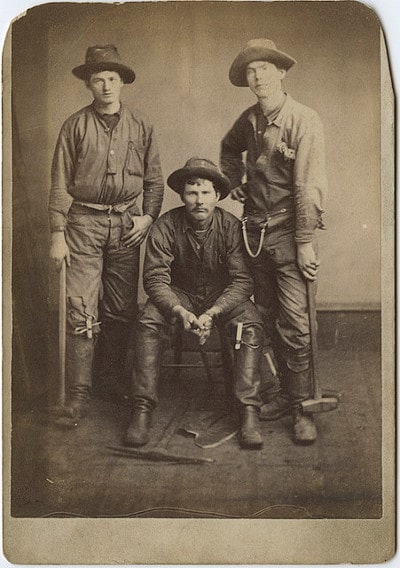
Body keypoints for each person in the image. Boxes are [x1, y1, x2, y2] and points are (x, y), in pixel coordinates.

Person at [49, 45, 164, 427]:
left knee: (120, 309)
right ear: (88, 84)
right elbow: (60, 183)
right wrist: (57, 232)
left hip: (127, 227)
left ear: (121, 82)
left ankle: (111, 380)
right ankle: (78, 395)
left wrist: (147, 218)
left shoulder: (142, 125)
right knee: (82, 308)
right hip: (83, 224)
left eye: (112, 78)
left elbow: (153, 180)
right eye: (98, 79)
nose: (106, 86)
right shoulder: (74, 126)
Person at [220, 39, 328, 444]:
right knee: (261, 317)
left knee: (296, 323)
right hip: (253, 234)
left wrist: (304, 241)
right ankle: (280, 394)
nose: (258, 76)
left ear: (281, 73)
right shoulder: (249, 120)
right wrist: (234, 183)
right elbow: (230, 151)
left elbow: (308, 187)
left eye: (265, 68)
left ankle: (302, 407)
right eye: (251, 71)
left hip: (288, 232)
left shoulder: (304, 120)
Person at [124, 157, 265, 450]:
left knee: (248, 322)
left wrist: (215, 311)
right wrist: (178, 310)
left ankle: (248, 411)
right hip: (180, 295)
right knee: (148, 321)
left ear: (217, 196)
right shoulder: (164, 226)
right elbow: (154, 280)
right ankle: (141, 409)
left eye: (205, 193)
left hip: (220, 296)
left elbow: (242, 281)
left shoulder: (231, 227)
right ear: (182, 196)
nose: (198, 200)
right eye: (192, 193)